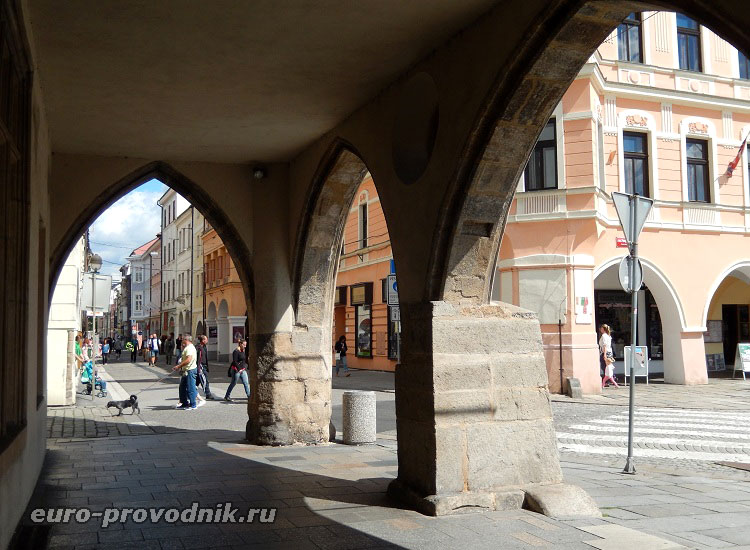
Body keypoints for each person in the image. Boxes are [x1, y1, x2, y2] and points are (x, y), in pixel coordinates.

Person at [172, 334, 198, 410]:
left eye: (183, 339)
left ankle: (193, 404)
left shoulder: (189, 348)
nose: (181, 341)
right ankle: (184, 403)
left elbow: (188, 359)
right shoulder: (188, 347)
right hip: (186, 370)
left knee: (191, 387)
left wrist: (178, 366)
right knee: (182, 387)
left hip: (190, 370)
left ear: (186, 340)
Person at [599, 324, 618, 388]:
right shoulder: (608, 336)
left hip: (605, 352)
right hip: (609, 352)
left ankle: (608, 380)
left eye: (601, 328)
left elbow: (604, 346)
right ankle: (611, 378)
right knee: (608, 367)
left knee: (604, 367)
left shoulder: (604, 336)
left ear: (603, 329)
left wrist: (604, 354)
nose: (600, 330)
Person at [196, 335, 214, 400]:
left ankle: (190, 393)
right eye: (206, 339)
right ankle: (208, 394)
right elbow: (198, 359)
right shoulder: (198, 348)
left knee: (197, 382)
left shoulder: (204, 347)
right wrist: (198, 368)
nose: (207, 340)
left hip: (204, 366)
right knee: (205, 380)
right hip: (200, 367)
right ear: (203, 340)